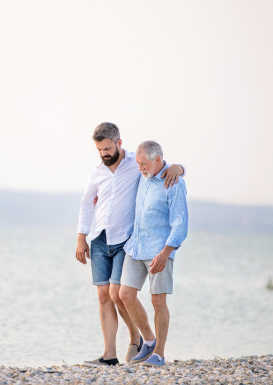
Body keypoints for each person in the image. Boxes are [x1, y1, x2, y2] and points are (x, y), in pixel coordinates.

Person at [76, 123, 185, 367]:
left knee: (119, 294)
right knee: (106, 296)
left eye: (106, 148)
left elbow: (160, 167)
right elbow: (86, 204)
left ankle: (142, 341)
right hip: (101, 238)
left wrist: (179, 168)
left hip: (126, 239)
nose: (103, 153)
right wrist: (81, 236)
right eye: (99, 149)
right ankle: (109, 355)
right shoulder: (98, 172)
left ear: (118, 143)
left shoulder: (136, 166)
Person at [119, 140, 188, 367]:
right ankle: (148, 340)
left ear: (158, 160)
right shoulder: (143, 176)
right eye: (138, 163)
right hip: (135, 247)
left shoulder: (174, 182)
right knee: (125, 295)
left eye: (144, 163)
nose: (140, 168)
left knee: (158, 301)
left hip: (160, 250)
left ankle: (159, 354)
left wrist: (166, 253)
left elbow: (180, 224)